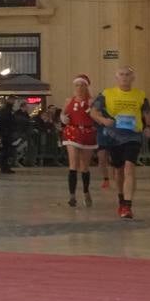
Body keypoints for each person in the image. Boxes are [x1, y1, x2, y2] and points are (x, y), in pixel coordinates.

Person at [89, 65, 150, 219]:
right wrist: (103, 120)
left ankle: (128, 205)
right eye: (121, 75)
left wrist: (149, 126)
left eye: (127, 74)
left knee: (129, 167)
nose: (124, 77)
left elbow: (148, 113)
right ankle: (121, 198)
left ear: (133, 78)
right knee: (118, 170)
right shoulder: (106, 94)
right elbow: (93, 112)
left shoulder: (140, 95)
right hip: (113, 136)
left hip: (133, 136)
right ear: (117, 78)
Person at [60, 74, 98, 207]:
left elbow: (96, 115)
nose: (79, 88)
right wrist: (63, 118)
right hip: (72, 132)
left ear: (87, 87)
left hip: (87, 133)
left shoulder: (91, 101)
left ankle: (86, 191)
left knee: (85, 166)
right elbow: (63, 113)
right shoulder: (69, 100)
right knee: (73, 163)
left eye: (82, 85)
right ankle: (72, 195)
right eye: (77, 85)